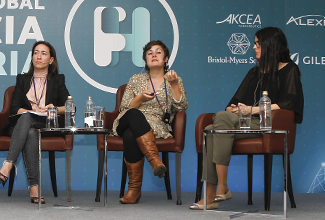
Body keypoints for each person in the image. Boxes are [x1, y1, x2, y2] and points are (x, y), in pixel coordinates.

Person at [190, 27, 304, 210]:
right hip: (243, 123)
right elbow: (232, 103)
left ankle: (216, 193)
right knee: (213, 128)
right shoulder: (254, 72)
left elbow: (289, 104)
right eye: (255, 43)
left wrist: (252, 110)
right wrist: (236, 109)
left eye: (258, 43)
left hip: (268, 125)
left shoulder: (289, 69)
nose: (254, 47)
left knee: (217, 125)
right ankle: (217, 192)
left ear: (271, 45)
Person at [0, 41, 70, 204]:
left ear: (51, 60)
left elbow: (71, 107)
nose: (39, 56)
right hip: (25, 123)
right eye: (36, 52)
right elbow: (14, 109)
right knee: (29, 128)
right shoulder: (22, 79)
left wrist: (53, 108)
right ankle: (34, 186)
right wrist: (31, 112)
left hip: (47, 123)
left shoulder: (58, 79)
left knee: (29, 123)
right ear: (32, 57)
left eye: (43, 53)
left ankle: (8, 164)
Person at [112, 40, 188, 204]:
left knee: (131, 135)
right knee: (134, 114)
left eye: (158, 52)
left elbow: (181, 106)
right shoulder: (136, 79)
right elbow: (124, 107)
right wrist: (139, 98)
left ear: (166, 58)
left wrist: (174, 85)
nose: (154, 55)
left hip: (154, 126)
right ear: (145, 60)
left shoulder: (174, 79)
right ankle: (155, 160)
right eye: (149, 53)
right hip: (127, 119)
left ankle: (133, 190)